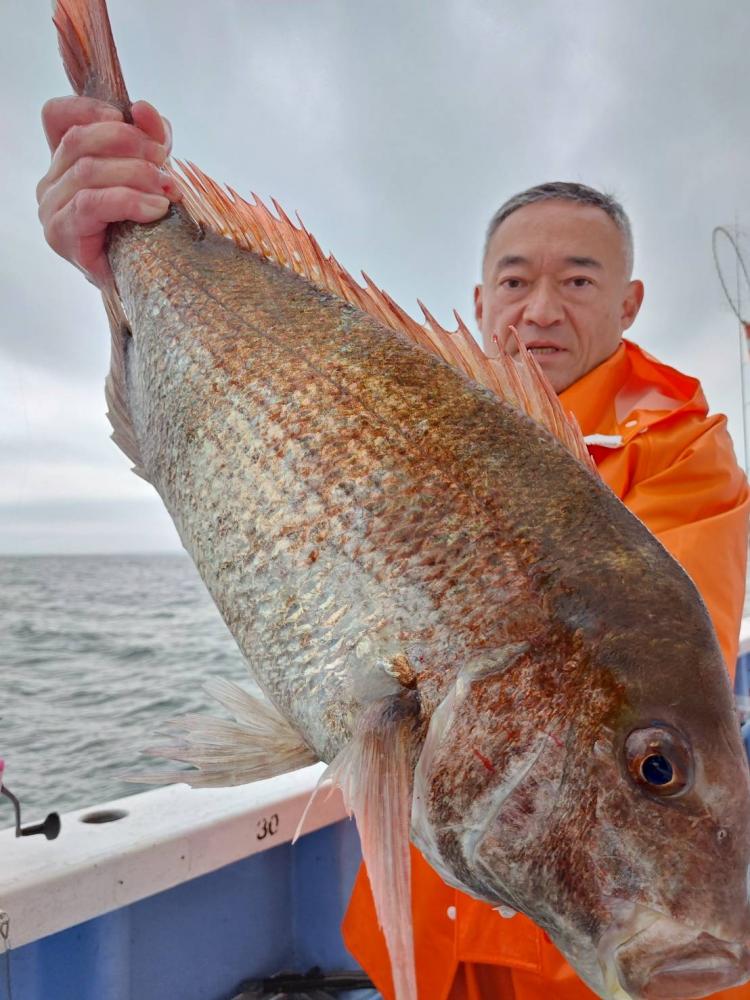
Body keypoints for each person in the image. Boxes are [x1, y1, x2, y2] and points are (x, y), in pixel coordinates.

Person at [37, 99, 750, 999]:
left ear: (629, 302)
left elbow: (653, 661)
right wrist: (125, 251)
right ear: (481, 299)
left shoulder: (686, 456)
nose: (541, 309)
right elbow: (232, 471)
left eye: (578, 280)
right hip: (423, 953)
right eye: (516, 280)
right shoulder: (410, 398)